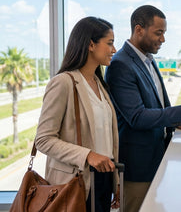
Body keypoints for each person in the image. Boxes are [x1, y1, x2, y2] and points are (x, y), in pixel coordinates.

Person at [105, 5, 181, 211]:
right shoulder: (121, 65)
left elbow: (158, 105)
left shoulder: (148, 59)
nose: (163, 39)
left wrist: (179, 120)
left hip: (157, 158)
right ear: (139, 30)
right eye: (159, 33)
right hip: (138, 165)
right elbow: (137, 117)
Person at [35, 16, 120, 211]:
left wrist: (114, 181)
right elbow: (43, 139)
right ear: (91, 44)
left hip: (102, 180)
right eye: (109, 43)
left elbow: (106, 139)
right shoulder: (63, 83)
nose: (114, 50)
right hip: (75, 182)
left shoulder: (100, 85)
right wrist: (87, 155)